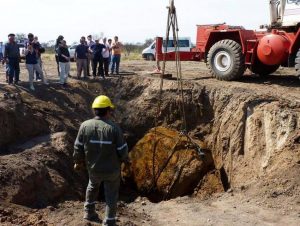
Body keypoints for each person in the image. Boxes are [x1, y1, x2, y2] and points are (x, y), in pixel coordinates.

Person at [73, 95, 129, 226]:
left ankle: (89, 213)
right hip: (112, 170)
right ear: (108, 111)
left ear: (94, 110)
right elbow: (122, 149)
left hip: (93, 168)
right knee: (111, 194)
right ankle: (109, 221)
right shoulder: (114, 128)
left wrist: (78, 161)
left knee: (92, 186)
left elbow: (78, 147)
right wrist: (125, 160)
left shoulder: (85, 126)